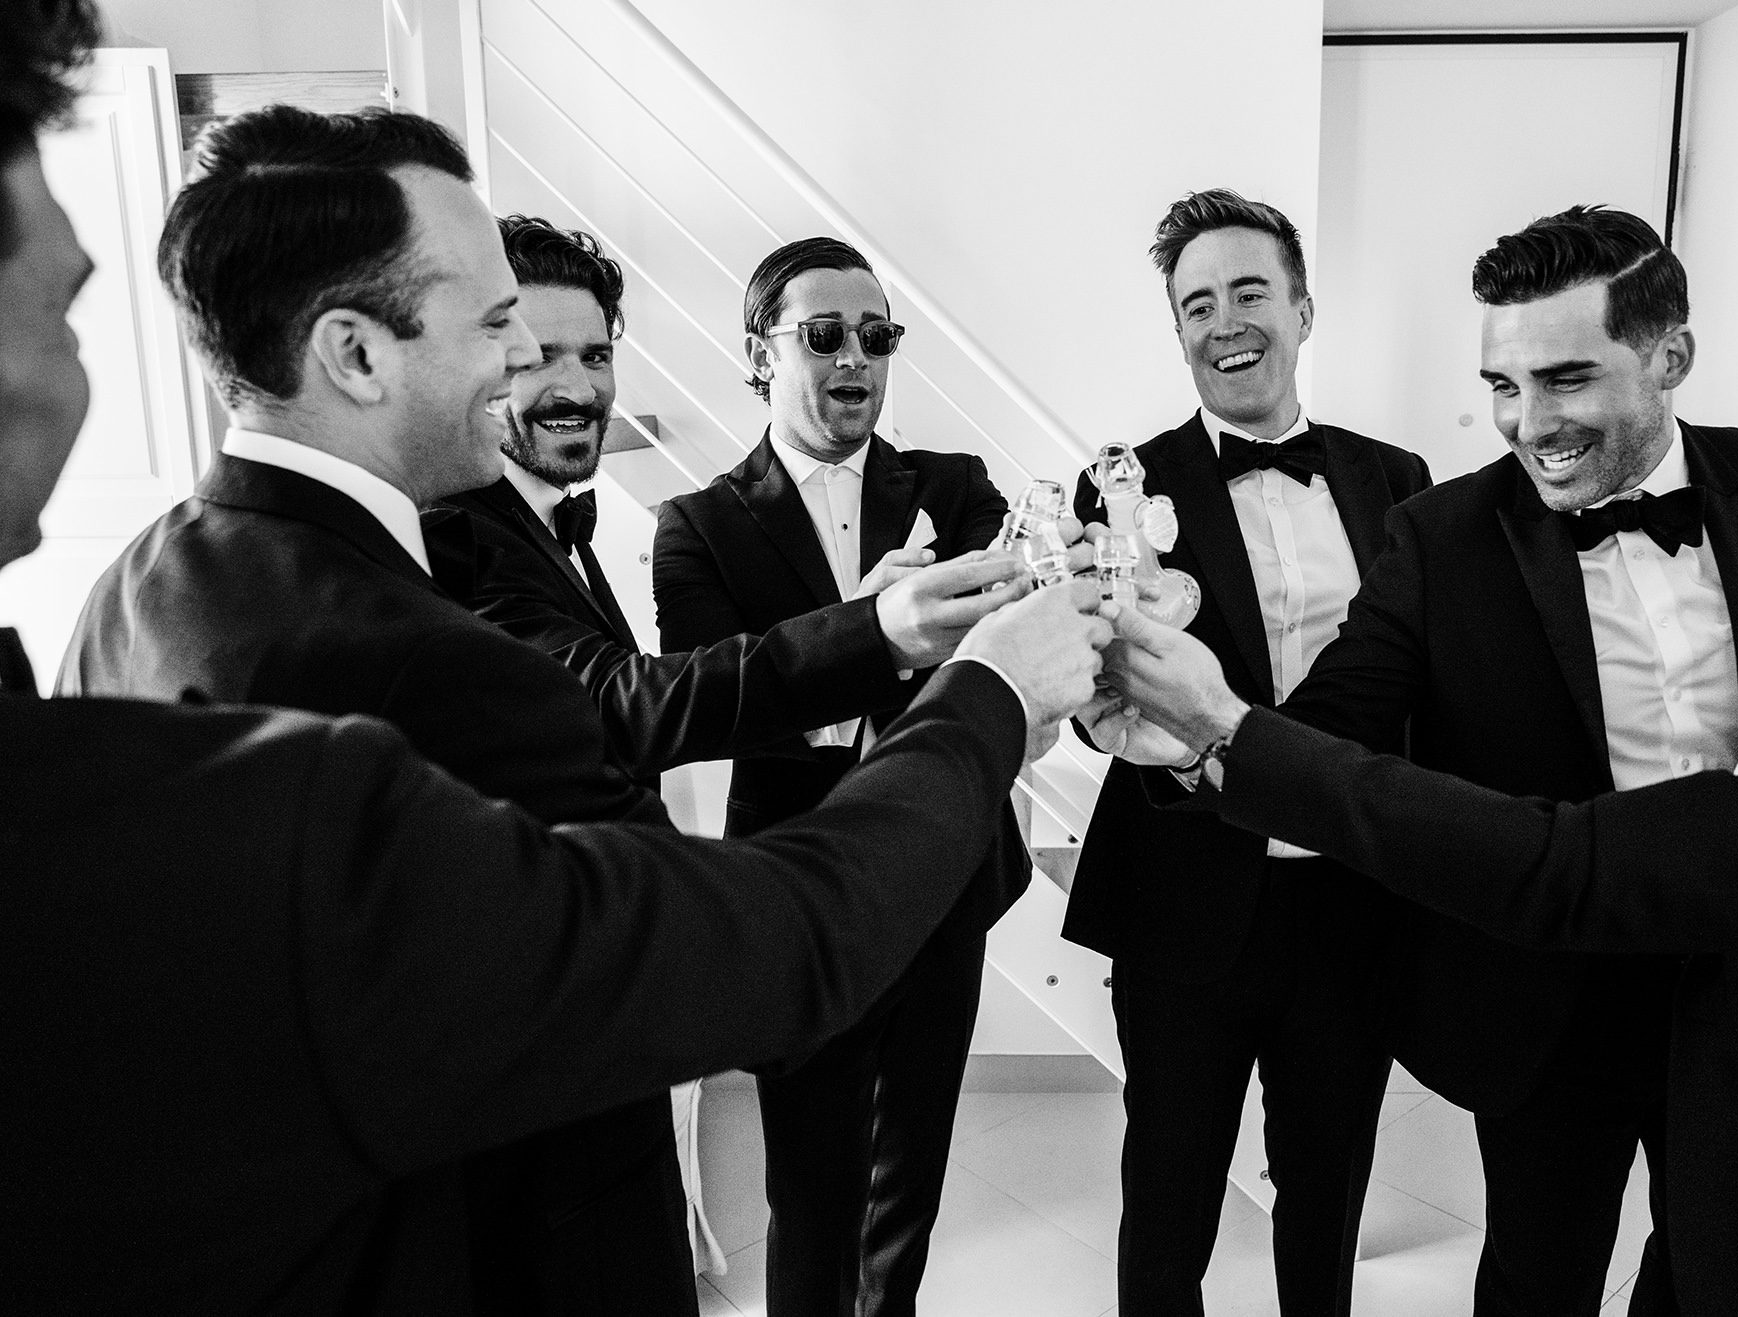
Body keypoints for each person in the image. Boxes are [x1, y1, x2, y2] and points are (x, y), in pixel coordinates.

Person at [50, 102, 1106, 1313]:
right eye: (495, 322)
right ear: (354, 355)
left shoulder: (137, 582)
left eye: (578, 345)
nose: (527, 364)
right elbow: (741, 951)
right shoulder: (426, 649)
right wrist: (987, 692)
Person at [1101, 256, 1738, 1314]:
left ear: (1669, 356)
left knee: (1722, 1248)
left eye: (1566, 378)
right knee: (1539, 1272)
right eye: (1500, 385)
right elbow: (1335, 722)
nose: (1528, 424)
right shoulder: (1440, 535)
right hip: (1550, 1003)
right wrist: (1197, 735)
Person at [1071, 188, 1430, 1315]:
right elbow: (1098, 680)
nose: (1224, 323)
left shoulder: (1398, 480)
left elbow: (1424, 684)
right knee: (1168, 1188)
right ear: (1176, 330)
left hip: (1351, 897)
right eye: (1196, 305)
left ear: (1302, 310)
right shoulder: (1121, 486)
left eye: (1248, 293)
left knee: (1326, 1187)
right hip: (1186, 891)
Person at [651, 236, 1023, 1317]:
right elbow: (717, 705)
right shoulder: (698, 527)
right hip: (797, 895)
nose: (854, 355)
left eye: (876, 334)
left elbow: (998, 641)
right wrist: (870, 626)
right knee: (811, 1187)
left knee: (912, 1178)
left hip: (944, 877)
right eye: (823, 334)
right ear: (760, 354)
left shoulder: (954, 489)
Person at [424, 217, 1011, 788]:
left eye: (596, 356)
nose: (579, 388)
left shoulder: (956, 480)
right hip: (780, 840)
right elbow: (641, 705)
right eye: (539, 357)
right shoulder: (454, 532)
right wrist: (873, 632)